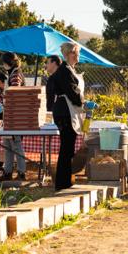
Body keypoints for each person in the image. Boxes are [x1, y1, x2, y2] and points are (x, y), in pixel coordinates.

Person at [45, 44, 84, 191]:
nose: (76, 55)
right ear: (67, 55)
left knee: (67, 148)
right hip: (65, 112)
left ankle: (64, 181)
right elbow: (72, 92)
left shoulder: (69, 70)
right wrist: (83, 102)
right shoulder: (65, 71)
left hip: (66, 111)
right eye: (74, 53)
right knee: (66, 148)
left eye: (77, 53)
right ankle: (63, 183)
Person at [0, 52, 27, 182]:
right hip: (10, 114)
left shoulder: (15, 75)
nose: (3, 65)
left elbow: (14, 92)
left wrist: (0, 97)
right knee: (8, 144)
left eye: (4, 62)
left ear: (8, 62)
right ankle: (7, 172)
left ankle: (21, 172)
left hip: (15, 115)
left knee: (16, 144)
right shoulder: (13, 73)